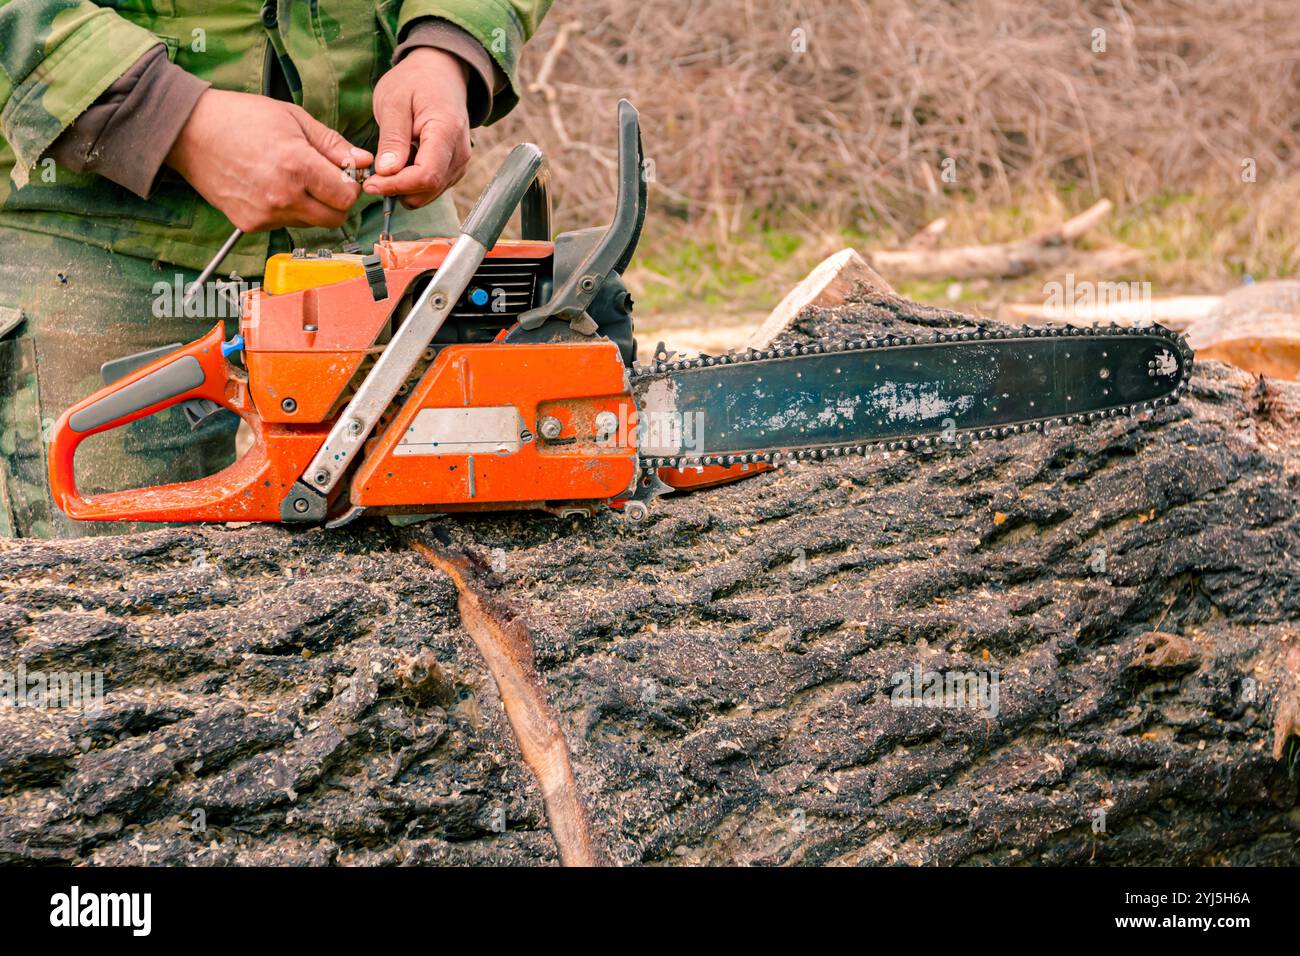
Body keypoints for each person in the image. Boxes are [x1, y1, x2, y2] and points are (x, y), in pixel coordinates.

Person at [0, 0, 552, 537]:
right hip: (94, 224)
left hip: (386, 214)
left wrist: (447, 47)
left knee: (466, 526)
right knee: (105, 580)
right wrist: (165, 113)